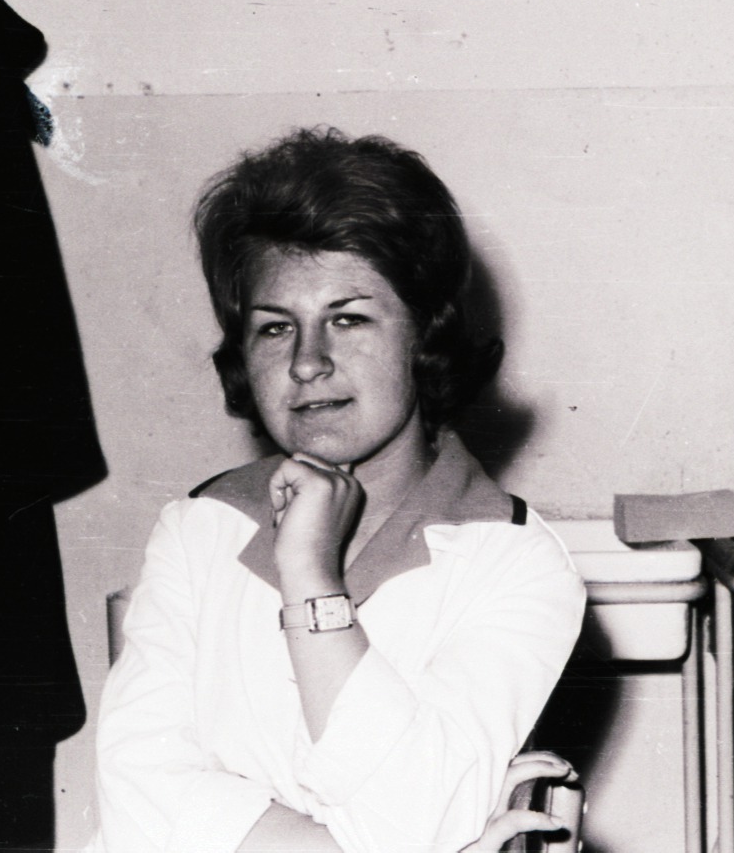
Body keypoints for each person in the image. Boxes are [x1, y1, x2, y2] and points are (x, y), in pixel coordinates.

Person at [88, 128, 586, 853]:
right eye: (273, 329)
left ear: (425, 338)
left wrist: (309, 578)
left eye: (348, 319)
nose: (307, 363)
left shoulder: (513, 561)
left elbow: (415, 818)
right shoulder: (201, 528)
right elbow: (137, 792)